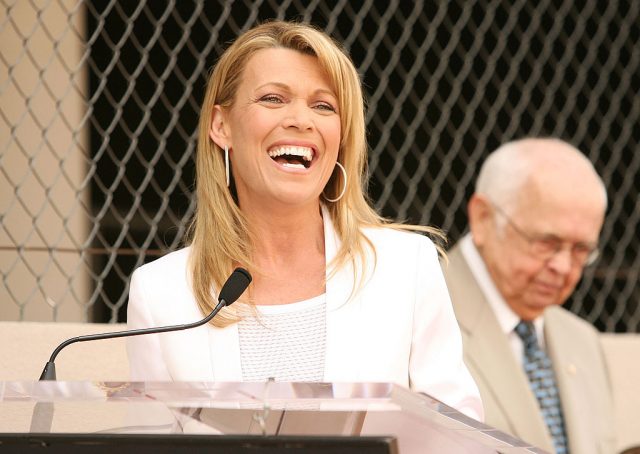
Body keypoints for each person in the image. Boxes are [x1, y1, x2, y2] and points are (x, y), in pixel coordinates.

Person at [126, 20, 482, 421]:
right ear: (221, 126)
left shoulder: (406, 265)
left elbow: (459, 431)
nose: (301, 119)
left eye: (323, 105)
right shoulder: (160, 293)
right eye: (274, 99)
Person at [442, 138, 616, 453]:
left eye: (581, 250)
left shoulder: (581, 340)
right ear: (482, 218)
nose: (563, 267)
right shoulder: (422, 311)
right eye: (546, 242)